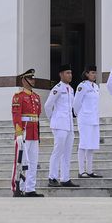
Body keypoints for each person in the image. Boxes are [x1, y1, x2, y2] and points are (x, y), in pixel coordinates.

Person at [10, 69, 43, 197]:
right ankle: (17, 187)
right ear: (24, 80)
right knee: (21, 161)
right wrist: (18, 133)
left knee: (33, 162)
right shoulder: (18, 96)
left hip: (34, 132)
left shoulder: (36, 97)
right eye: (30, 78)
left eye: (33, 78)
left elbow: (37, 116)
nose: (32, 81)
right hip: (24, 132)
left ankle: (30, 188)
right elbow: (16, 115)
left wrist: (38, 134)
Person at [45, 64, 77, 188]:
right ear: (61, 74)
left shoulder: (71, 89)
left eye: (70, 73)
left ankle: (65, 178)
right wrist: (52, 118)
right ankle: (52, 177)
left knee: (67, 152)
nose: (70, 75)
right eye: (67, 73)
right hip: (59, 124)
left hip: (69, 124)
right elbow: (48, 105)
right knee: (58, 151)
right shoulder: (57, 88)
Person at [74, 66, 102, 178]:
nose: (94, 75)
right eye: (92, 73)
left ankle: (89, 170)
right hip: (85, 119)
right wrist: (78, 114)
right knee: (84, 144)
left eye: (95, 73)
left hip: (94, 119)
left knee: (91, 145)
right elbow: (76, 102)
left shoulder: (95, 86)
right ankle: (81, 171)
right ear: (86, 74)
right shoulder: (82, 86)